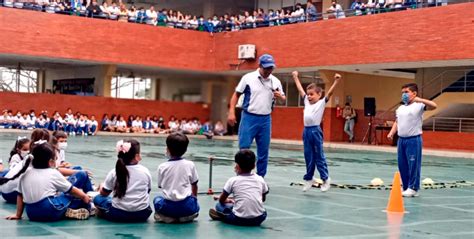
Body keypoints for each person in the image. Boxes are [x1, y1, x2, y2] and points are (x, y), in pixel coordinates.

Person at [227, 54, 286, 177]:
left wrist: (281, 97)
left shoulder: (276, 81)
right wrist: (231, 112)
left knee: (263, 151)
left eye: (271, 68)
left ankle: (261, 178)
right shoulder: (248, 78)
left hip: (265, 119)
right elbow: (236, 95)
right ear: (259, 66)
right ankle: (241, 176)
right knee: (243, 149)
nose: (268, 71)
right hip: (249, 117)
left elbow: (283, 99)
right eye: (266, 68)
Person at [2, 141, 92, 221]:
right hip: (49, 209)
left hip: (31, 213)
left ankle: (67, 211)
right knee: (70, 195)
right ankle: (89, 206)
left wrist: (18, 215)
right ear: (50, 161)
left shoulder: (25, 173)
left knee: (66, 197)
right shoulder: (52, 173)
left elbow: (20, 196)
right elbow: (71, 190)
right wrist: (84, 196)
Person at [292, 71, 341, 192]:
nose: (309, 96)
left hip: (315, 131)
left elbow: (330, 93)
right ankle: (309, 178)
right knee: (308, 156)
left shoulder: (321, 103)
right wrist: (295, 77)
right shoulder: (306, 102)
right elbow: (300, 90)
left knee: (319, 155)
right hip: (306, 131)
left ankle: (325, 178)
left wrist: (336, 81)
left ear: (319, 94)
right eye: (308, 94)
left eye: (312, 94)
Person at [387, 83, 437, 197]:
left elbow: (434, 105)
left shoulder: (419, 106)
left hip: (413, 140)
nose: (404, 94)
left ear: (414, 93)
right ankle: (406, 187)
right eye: (402, 93)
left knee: (413, 164)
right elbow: (397, 121)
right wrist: (392, 132)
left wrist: (420, 100)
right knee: (402, 164)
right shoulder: (400, 108)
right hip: (401, 140)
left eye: (406, 92)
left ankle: (413, 187)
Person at [93, 139, 153, 222]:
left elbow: (104, 193)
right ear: (137, 156)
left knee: (97, 199)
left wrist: (101, 186)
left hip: (118, 214)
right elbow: (147, 191)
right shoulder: (145, 171)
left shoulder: (114, 172)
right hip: (142, 214)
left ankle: (100, 212)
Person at [209, 149, 268, 226]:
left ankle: (222, 217)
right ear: (254, 166)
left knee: (219, 206)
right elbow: (263, 199)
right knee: (263, 211)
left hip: (238, 219)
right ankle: (227, 214)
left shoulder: (233, 180)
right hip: (258, 219)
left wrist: (228, 200)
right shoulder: (260, 179)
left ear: (237, 166)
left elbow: (221, 200)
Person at [154, 132, 199, 223]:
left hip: (168, 206)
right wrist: (193, 200)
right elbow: (194, 185)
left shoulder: (162, 167)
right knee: (194, 204)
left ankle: (168, 217)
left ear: (168, 149)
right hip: (186, 206)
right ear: (185, 150)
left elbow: (161, 186)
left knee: (157, 199)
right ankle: (186, 216)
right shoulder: (190, 165)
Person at [0, 137, 31, 203]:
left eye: (29, 149)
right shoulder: (15, 157)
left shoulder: (30, 157)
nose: (28, 151)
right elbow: (14, 172)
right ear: (18, 150)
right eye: (25, 149)